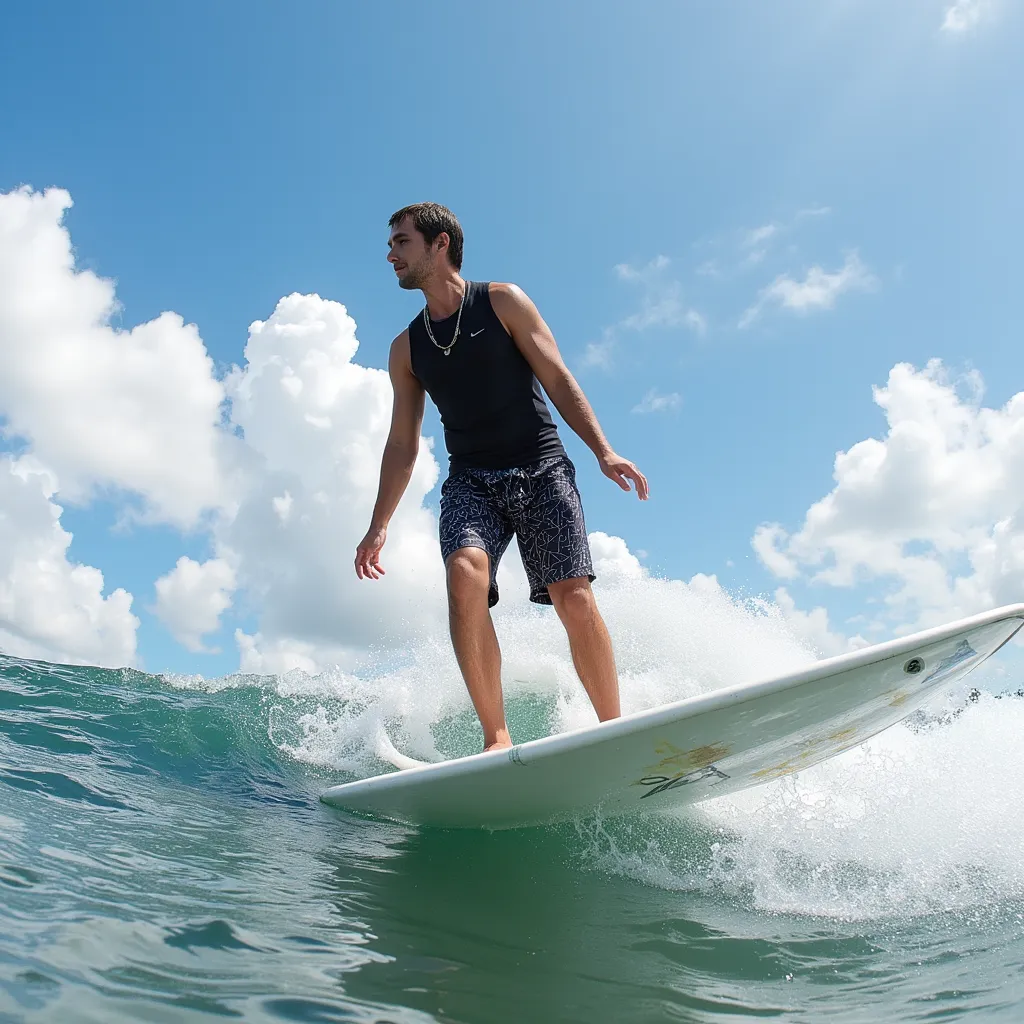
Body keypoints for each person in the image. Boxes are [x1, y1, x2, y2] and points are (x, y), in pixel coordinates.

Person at [355, 202, 648, 751]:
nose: (390, 254)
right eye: (391, 244)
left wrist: (603, 451)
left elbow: (556, 377)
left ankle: (614, 729)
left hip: (541, 466)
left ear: (440, 243)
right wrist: (379, 524)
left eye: (401, 242)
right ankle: (496, 738)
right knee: (463, 573)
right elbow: (402, 444)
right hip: (472, 481)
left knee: (572, 594)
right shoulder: (406, 349)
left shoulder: (502, 301)